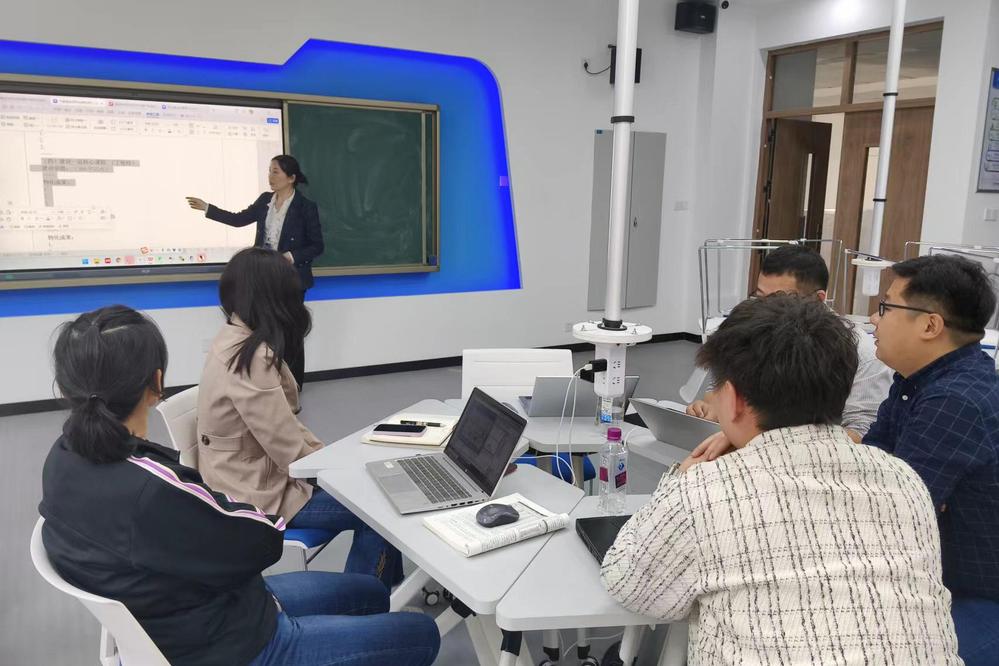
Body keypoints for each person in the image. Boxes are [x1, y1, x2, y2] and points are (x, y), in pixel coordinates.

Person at [39, 305, 439, 666]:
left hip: (188, 617)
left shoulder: (61, 458)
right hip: (235, 644)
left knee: (371, 593)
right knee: (421, 632)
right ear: (156, 383)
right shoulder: (152, 489)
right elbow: (261, 541)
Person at [601, 295, 961, 664]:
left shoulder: (705, 491)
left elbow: (629, 585)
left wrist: (680, 477)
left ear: (734, 399)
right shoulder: (905, 481)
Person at [197, 248, 403, 588]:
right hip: (256, 495)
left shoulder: (233, 337)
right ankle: (367, 599)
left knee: (371, 488)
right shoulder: (251, 358)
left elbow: (285, 428)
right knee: (380, 510)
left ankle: (384, 585)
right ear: (273, 299)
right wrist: (344, 472)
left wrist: (334, 460)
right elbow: (288, 451)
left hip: (244, 477)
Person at [862, 254, 999, 665]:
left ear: (930, 325)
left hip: (975, 595)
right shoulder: (916, 380)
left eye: (886, 307)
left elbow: (890, 514)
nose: (873, 318)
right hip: (931, 576)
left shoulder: (954, 400)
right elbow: (873, 465)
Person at [687, 243, 892, 441]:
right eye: (760, 297)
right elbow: (719, 390)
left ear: (818, 299)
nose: (765, 309)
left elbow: (862, 433)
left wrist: (768, 444)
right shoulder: (748, 330)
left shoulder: (862, 352)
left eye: (780, 300)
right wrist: (712, 409)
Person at [187, 154, 323, 389]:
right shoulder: (264, 201)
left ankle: (293, 386)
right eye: (269, 171)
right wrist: (208, 208)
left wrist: (289, 257)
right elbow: (239, 219)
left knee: (291, 333)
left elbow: (317, 246)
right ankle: (268, 382)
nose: (270, 176)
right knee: (262, 330)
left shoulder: (305, 207)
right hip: (263, 278)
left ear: (291, 178)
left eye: (275, 172)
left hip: (290, 279)